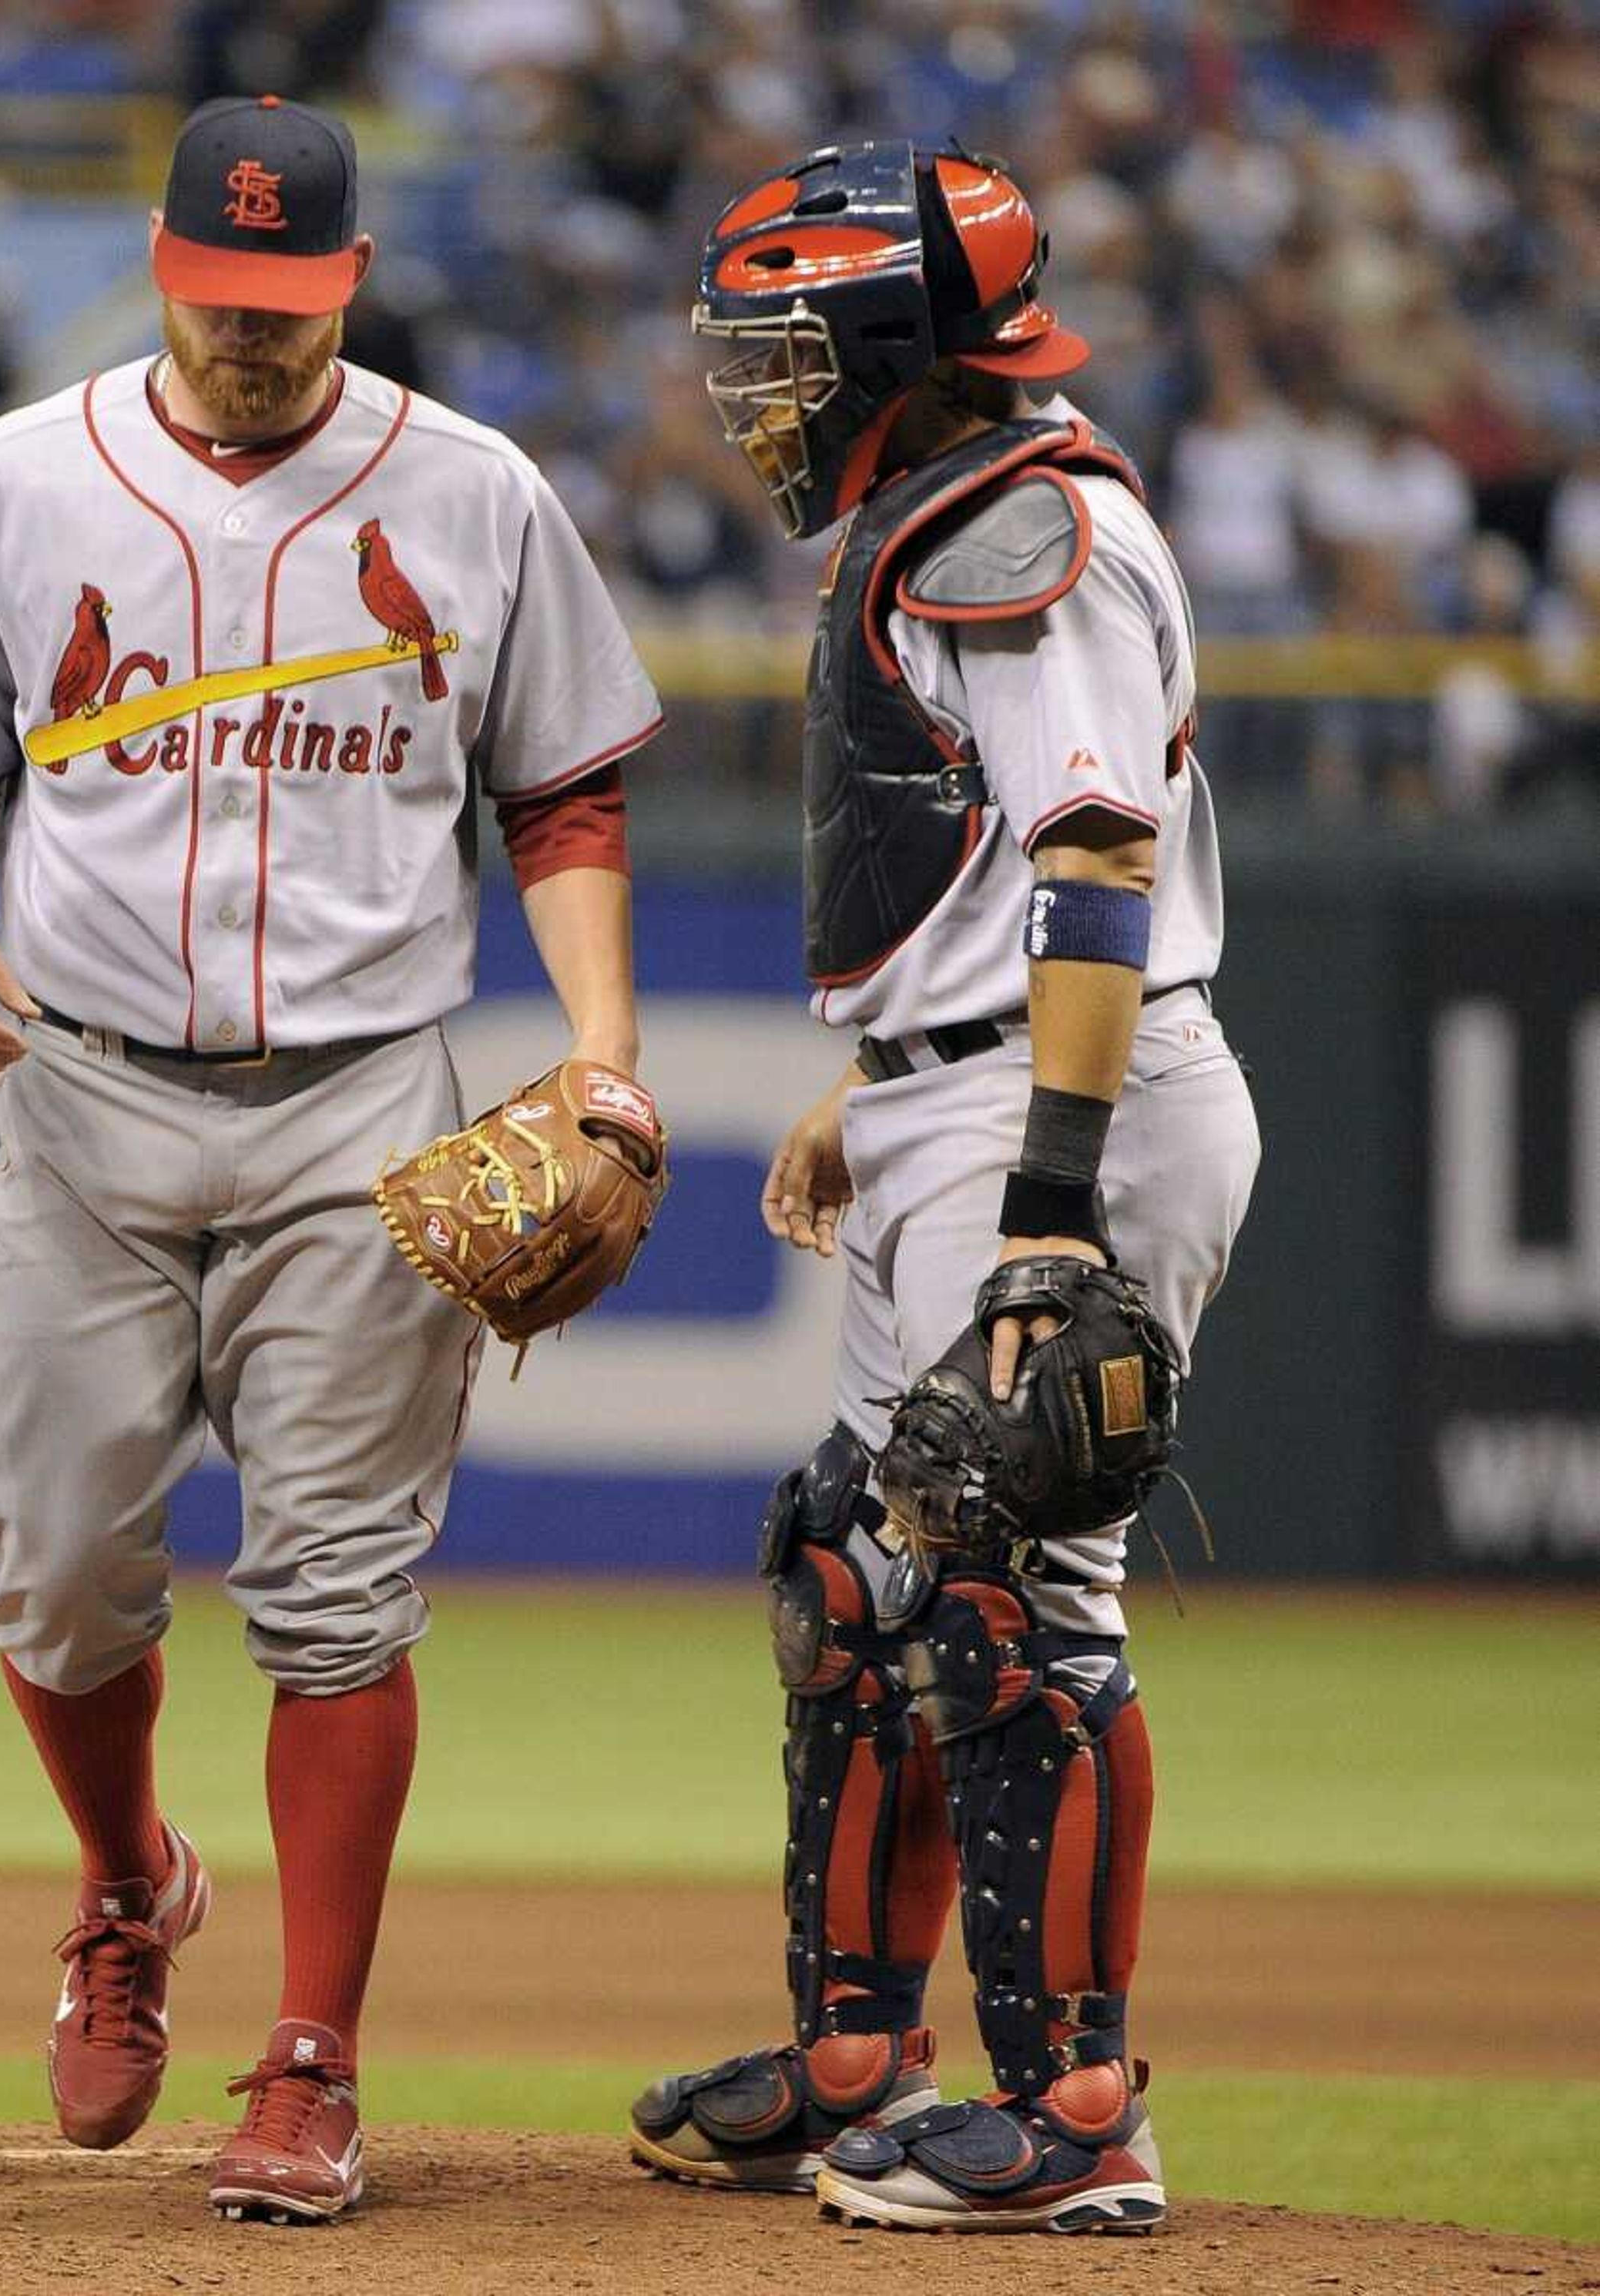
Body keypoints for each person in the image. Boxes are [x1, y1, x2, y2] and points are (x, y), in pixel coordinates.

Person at [0, 94, 662, 2226]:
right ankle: (129, 1885)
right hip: (87, 1082)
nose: (255, 338)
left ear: (352, 281)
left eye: (294, 303)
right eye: (225, 300)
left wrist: (599, 1050)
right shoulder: (24, 484)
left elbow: (568, 796)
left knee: (334, 1591)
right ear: (159, 266)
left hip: (358, 1094)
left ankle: (313, 2054)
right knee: (47, 1568)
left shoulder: (473, 489)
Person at [628, 140, 1260, 2235]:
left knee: (1005, 1592)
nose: (754, 392)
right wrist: (876, 1069)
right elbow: (1001, 865)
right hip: (965, 1087)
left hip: (1064, 1107)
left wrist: (1045, 1200)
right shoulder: (956, 505)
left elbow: (1093, 858)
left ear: (896, 347)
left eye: (787, 352)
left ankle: (1077, 2107)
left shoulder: (1031, 533)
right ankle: (849, 2054)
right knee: (857, 1567)